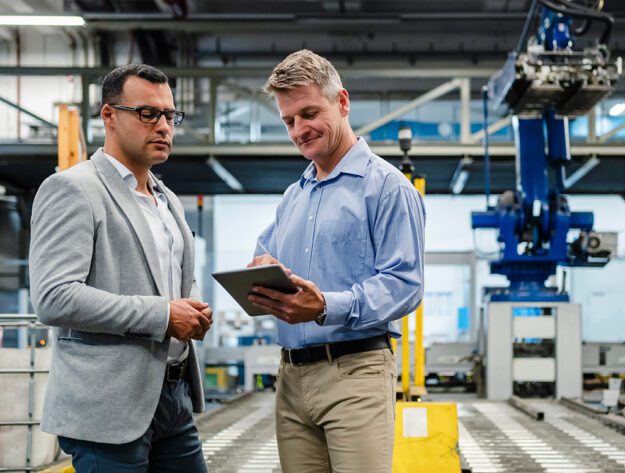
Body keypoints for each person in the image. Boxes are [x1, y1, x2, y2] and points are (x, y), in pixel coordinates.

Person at [247, 50, 425, 473]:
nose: (299, 130)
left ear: (341, 102)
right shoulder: (294, 196)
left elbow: (405, 284)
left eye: (309, 113)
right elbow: (263, 257)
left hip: (354, 372)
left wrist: (327, 305)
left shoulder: (387, 189)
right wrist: (259, 275)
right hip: (290, 378)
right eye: (289, 121)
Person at [29, 64, 211, 472]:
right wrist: (164, 315)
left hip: (173, 397)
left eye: (170, 115)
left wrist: (192, 306)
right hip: (106, 409)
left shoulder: (168, 200)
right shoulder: (74, 189)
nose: (164, 126)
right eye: (149, 113)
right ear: (109, 115)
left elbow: (179, 276)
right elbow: (54, 297)